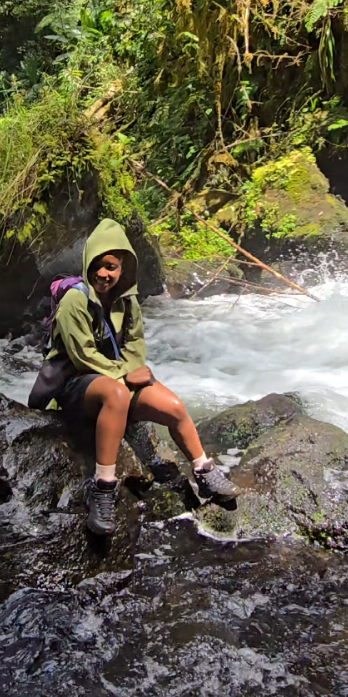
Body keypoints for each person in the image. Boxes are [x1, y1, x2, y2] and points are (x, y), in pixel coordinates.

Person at [30, 218, 238, 535]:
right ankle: (103, 487)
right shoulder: (75, 300)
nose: (104, 273)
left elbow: (134, 348)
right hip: (77, 385)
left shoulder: (127, 301)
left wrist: (127, 375)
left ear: (122, 267)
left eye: (111, 267)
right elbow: (83, 356)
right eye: (98, 265)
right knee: (115, 395)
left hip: (117, 381)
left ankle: (203, 470)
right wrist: (125, 379)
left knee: (174, 407)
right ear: (88, 264)